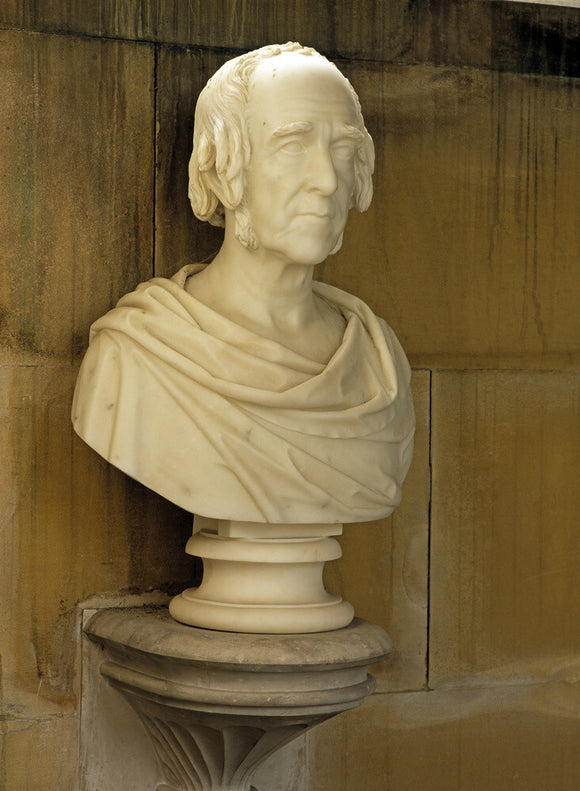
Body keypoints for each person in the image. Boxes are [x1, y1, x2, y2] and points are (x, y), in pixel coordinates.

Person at [72, 42, 415, 525]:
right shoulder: (135, 356)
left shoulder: (379, 363)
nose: (327, 180)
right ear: (222, 167)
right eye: (293, 145)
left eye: (342, 149)